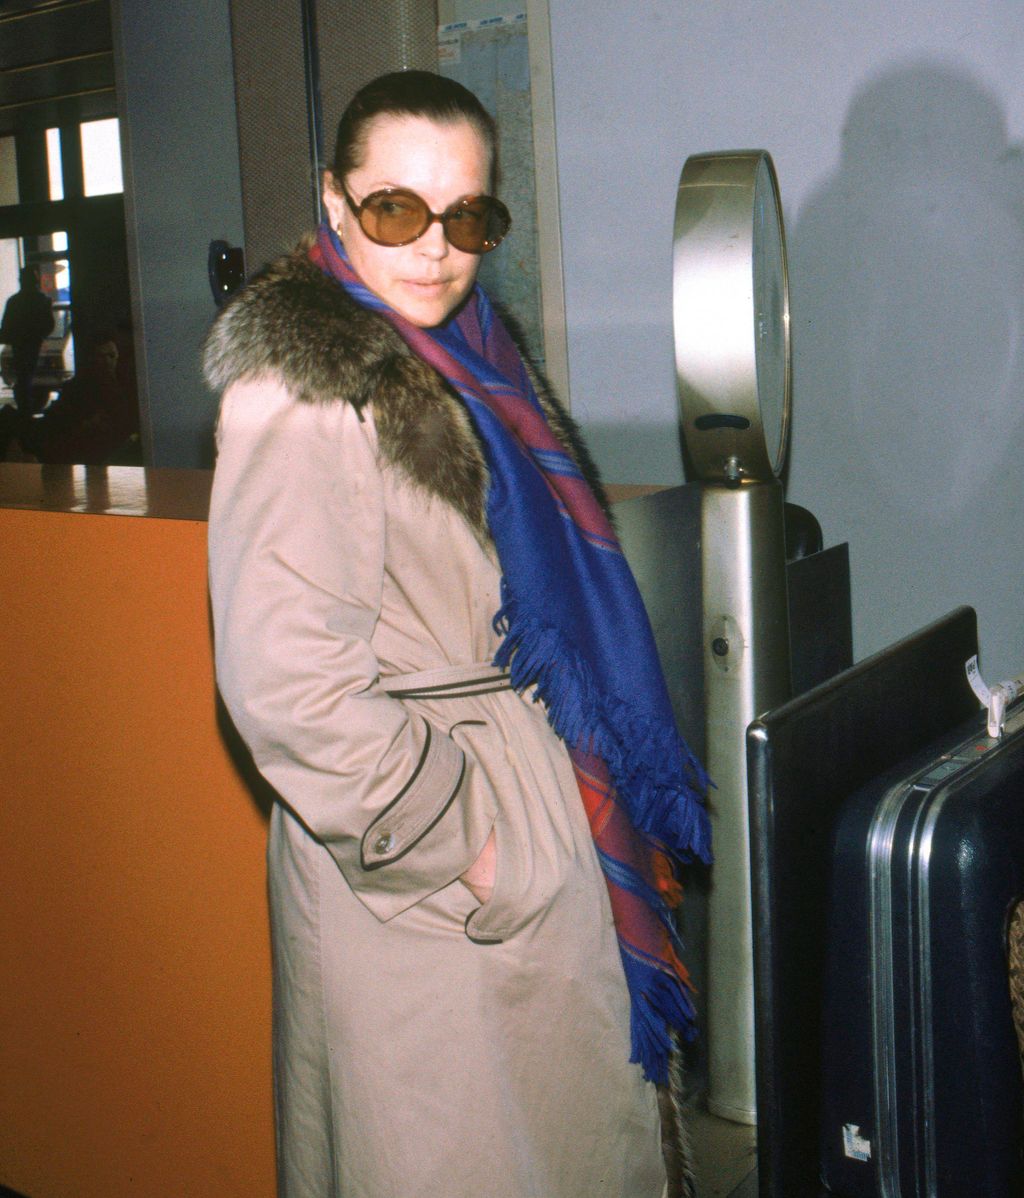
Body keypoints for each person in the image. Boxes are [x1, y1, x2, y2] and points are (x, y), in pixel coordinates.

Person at [204, 69, 711, 1198]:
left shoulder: (475, 358)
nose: (435, 246)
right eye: (396, 210)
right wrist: (474, 851)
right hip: (434, 892)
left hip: (528, 812)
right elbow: (288, 688)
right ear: (336, 203)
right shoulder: (302, 390)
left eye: (469, 216)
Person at [0, 266, 54, 425]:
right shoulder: (43, 300)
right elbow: (49, 326)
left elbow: (6, 326)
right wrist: (37, 335)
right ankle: (27, 414)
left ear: (21, 281)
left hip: (19, 344)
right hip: (33, 343)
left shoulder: (14, 301)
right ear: (36, 281)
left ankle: (24, 412)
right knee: (27, 377)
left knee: (22, 378)